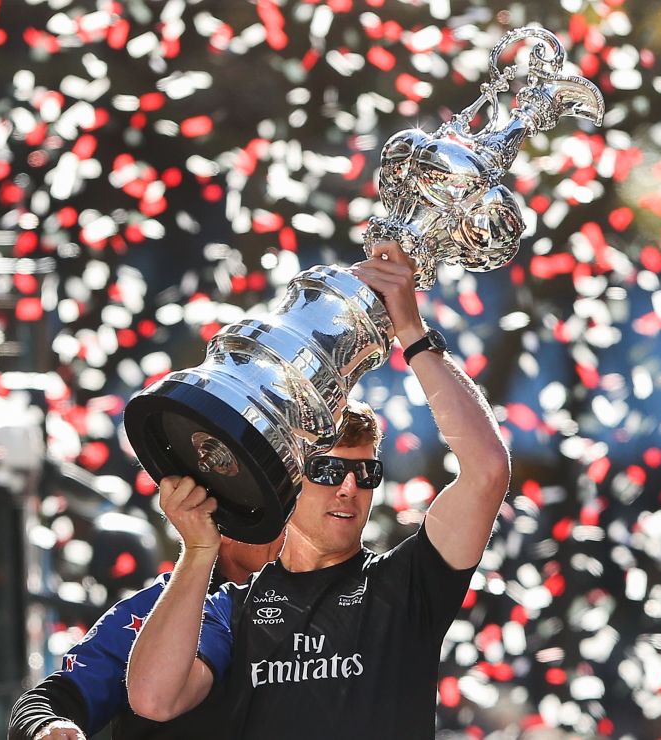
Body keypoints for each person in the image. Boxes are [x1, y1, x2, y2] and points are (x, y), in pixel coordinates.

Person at [126, 241, 511, 738]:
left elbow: (486, 472)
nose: (350, 487)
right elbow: (155, 699)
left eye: (366, 474)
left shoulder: (405, 584)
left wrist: (412, 333)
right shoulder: (234, 608)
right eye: (329, 472)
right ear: (288, 480)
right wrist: (200, 549)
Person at [7, 533, 285, 740]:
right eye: (280, 516)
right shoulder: (152, 609)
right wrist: (47, 727)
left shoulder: (324, 602)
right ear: (223, 531)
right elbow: (52, 700)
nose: (293, 528)